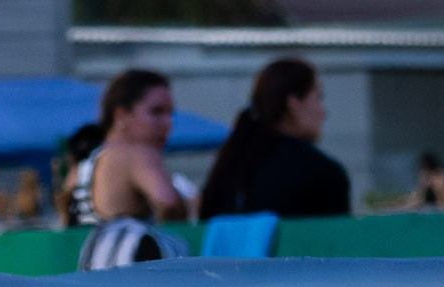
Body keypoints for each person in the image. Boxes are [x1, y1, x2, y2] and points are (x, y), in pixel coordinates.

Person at [67, 69, 194, 267]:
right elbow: (167, 203)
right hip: (132, 282)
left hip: (88, 280)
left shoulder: (87, 162)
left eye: (170, 113)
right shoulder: (137, 153)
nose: (167, 123)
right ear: (121, 115)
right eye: (156, 112)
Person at [198, 58, 352, 220]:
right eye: (318, 98)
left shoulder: (227, 169)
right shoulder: (323, 173)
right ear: (293, 104)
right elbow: (336, 242)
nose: (323, 112)